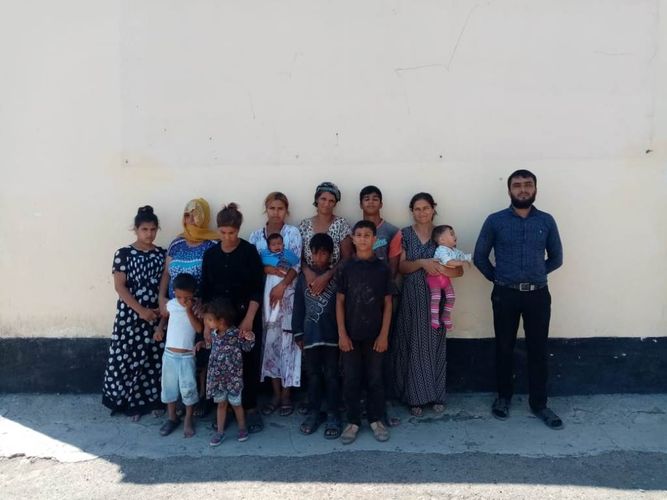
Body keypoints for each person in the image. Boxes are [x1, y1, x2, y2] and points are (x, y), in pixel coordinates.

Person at [473, 169, 564, 429]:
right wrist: (500, 278)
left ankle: (540, 404)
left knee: (538, 349)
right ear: (509, 190)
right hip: (505, 294)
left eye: (528, 184)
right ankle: (503, 398)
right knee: (504, 347)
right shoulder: (495, 221)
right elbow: (480, 256)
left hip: (538, 295)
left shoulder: (546, 221)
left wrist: (535, 274)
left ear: (535, 188)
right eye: (517, 185)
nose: (523, 189)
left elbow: (557, 258)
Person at [389, 193, 463, 417]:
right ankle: (414, 397)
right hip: (412, 298)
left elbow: (458, 270)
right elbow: (401, 267)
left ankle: (436, 395)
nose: (422, 212)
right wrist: (422, 263)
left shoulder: (443, 235)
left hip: (436, 300)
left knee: (434, 346)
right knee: (412, 345)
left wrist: (440, 269)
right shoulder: (404, 235)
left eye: (426, 208)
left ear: (433, 209)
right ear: (412, 211)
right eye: (417, 209)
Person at [200, 203, 265, 433]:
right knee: (221, 365)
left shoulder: (248, 252)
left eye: (232, 232)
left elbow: (257, 288)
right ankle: (224, 410)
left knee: (247, 361)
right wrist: (207, 326)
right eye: (223, 232)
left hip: (245, 315)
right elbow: (205, 292)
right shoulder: (211, 255)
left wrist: (249, 318)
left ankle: (250, 407)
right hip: (218, 322)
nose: (227, 237)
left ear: (238, 229)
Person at [102, 206, 166, 421]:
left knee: (153, 358)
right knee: (128, 358)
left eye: (153, 229)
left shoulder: (162, 254)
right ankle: (131, 403)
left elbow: (165, 284)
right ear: (136, 229)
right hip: (130, 315)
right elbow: (120, 287)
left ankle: (153, 401)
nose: (149, 234)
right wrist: (141, 311)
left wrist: (158, 308)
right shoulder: (123, 254)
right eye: (144, 229)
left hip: (155, 315)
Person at [157, 198, 218, 416]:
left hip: (200, 309)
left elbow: (213, 279)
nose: (190, 219)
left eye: (194, 215)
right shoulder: (177, 243)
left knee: (199, 355)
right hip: (176, 308)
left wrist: (205, 305)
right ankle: (180, 403)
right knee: (179, 354)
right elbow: (167, 273)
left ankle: (200, 398)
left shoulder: (212, 244)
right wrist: (161, 298)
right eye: (186, 215)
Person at [337, 220, 393, 444]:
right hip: (350, 334)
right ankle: (352, 421)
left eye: (367, 235)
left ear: (374, 239)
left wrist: (384, 334)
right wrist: (342, 334)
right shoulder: (346, 268)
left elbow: (388, 303)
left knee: (375, 378)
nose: (362, 239)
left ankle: (376, 419)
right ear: (352, 238)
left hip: (375, 335)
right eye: (358, 235)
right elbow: (340, 301)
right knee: (351, 379)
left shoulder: (382, 268)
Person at [249, 192, 302, 417]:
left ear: (286, 211)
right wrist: (267, 269)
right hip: (266, 298)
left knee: (288, 341)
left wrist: (282, 286)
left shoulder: (292, 233)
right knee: (270, 342)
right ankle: (275, 393)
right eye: (272, 208)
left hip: (288, 295)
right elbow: (252, 265)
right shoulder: (255, 236)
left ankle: (287, 394)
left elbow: (297, 264)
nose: (276, 213)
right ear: (266, 209)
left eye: (280, 208)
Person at [291, 233, 340, 438]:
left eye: (324, 254)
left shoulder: (336, 277)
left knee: (332, 376)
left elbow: (342, 306)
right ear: (310, 254)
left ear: (331, 255)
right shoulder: (304, 278)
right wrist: (298, 333)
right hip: (310, 336)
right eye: (316, 253)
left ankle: (333, 414)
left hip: (332, 336)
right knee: (312, 375)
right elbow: (298, 306)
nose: (319, 258)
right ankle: (314, 412)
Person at [153, 273, 204, 438]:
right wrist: (159, 328)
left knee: (188, 388)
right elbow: (164, 317)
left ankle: (188, 418)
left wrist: (189, 310)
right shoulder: (171, 304)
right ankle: (172, 417)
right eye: (179, 296)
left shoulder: (196, 308)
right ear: (174, 292)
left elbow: (199, 329)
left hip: (187, 356)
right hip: (169, 354)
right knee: (169, 387)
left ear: (193, 294)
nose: (183, 301)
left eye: (187, 297)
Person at [203, 298, 256, 446]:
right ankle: (220, 432)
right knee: (221, 405)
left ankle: (242, 428)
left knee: (236, 404)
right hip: (218, 379)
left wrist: (250, 337)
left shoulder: (235, 334)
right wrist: (201, 344)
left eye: (209, 320)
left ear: (221, 320)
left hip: (233, 378)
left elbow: (247, 347)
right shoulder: (214, 334)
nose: (207, 323)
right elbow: (210, 348)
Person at [298, 181, 353, 296]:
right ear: (316, 199)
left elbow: (347, 257)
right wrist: (308, 272)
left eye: (331, 201)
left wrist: (327, 276)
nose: (327, 204)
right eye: (323, 199)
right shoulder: (304, 225)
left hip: (335, 283)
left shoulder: (341, 224)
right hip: (309, 281)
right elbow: (299, 257)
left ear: (335, 204)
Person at [427, 225, 472, 331]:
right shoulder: (441, 250)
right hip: (435, 279)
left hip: (445, 279)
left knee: (451, 297)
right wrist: (461, 262)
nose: (455, 236)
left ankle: (446, 316)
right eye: (451, 234)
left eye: (454, 233)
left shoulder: (454, 250)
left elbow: (462, 256)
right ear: (442, 240)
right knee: (436, 298)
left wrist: (468, 259)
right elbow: (448, 262)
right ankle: (434, 319)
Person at [258, 233, 300, 323]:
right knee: (267, 295)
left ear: (283, 245)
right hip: (269, 277)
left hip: (280, 279)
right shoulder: (265, 254)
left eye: (279, 243)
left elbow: (296, 261)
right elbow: (261, 262)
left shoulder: (287, 254)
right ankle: (267, 316)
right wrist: (272, 266)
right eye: (273, 244)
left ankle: (273, 318)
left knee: (277, 298)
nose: (277, 246)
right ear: (269, 247)